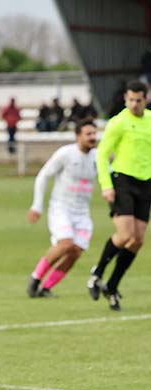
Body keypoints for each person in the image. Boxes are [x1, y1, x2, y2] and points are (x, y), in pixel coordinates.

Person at [87, 80, 151, 311]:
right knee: (125, 235)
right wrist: (106, 185)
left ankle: (112, 286)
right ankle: (97, 273)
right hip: (122, 182)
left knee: (137, 241)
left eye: (139, 100)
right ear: (126, 99)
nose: (134, 104)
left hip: (146, 185)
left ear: (146, 98)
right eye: (131, 100)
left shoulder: (150, 121)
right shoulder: (118, 122)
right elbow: (102, 154)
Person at [26, 120, 98, 298]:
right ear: (78, 136)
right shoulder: (65, 154)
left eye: (94, 133)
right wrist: (37, 205)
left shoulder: (98, 157)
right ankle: (35, 279)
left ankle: (46, 288)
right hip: (61, 208)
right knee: (65, 243)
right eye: (88, 134)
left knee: (75, 252)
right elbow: (43, 176)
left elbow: (111, 176)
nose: (93, 137)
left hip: (82, 213)